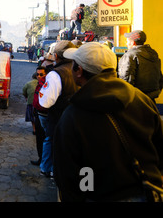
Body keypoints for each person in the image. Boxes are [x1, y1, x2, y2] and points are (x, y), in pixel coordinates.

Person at [54, 42, 163, 201]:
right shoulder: (142, 100)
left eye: (73, 65)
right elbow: (159, 147)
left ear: (79, 71)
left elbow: (68, 173)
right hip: (147, 192)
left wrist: (86, 192)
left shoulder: (73, 116)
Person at [38, 40, 78, 177]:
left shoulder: (56, 74)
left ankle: (47, 168)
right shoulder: (79, 69)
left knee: (50, 140)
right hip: (75, 117)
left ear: (56, 56)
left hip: (58, 117)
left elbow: (46, 102)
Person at [117, 30, 163, 102]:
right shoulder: (154, 55)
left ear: (133, 42)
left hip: (136, 101)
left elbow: (126, 80)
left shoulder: (130, 56)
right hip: (151, 99)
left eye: (127, 41)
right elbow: (160, 78)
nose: (126, 44)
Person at [30, 65, 51, 166]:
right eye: (37, 74)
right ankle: (41, 159)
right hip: (37, 113)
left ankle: (43, 161)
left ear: (46, 74)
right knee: (40, 139)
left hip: (43, 115)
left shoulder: (46, 84)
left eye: (41, 74)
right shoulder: (39, 83)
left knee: (43, 140)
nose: (39, 76)